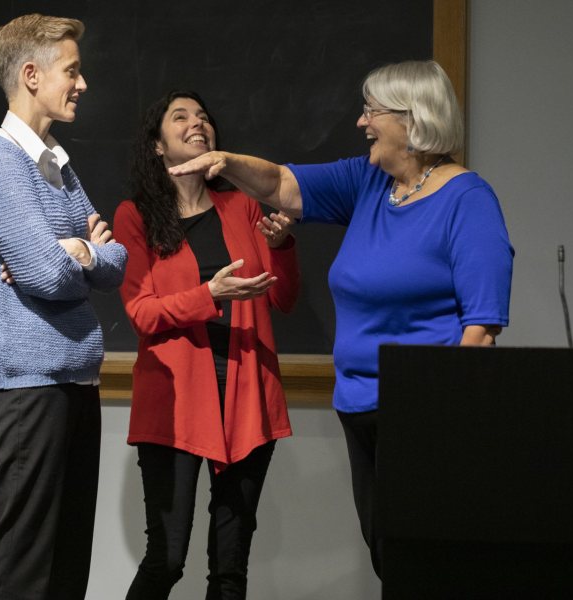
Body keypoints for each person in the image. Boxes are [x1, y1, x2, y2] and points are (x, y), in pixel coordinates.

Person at [169, 60, 514, 578]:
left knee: (428, 561)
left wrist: (453, 420)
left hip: (425, 411)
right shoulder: (370, 182)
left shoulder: (468, 200)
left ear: (413, 119)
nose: (362, 122)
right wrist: (224, 160)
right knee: (387, 555)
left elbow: (482, 329)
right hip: (359, 406)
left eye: (372, 111)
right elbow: (281, 184)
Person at [0, 14, 127, 600]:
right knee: (19, 568)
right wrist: (81, 250)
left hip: (75, 378)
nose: (82, 84)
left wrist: (75, 252)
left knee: (64, 566)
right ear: (31, 75)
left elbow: (117, 260)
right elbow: (44, 272)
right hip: (28, 385)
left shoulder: (56, 162)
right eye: (72, 71)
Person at [112, 90, 300, 599]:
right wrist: (208, 295)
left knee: (230, 571)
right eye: (181, 117)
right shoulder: (136, 217)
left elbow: (283, 298)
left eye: (203, 117)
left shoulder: (241, 206)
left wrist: (281, 248)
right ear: (157, 145)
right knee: (166, 560)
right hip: (174, 405)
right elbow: (142, 313)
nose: (197, 123)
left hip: (246, 400)